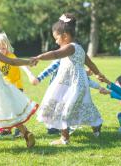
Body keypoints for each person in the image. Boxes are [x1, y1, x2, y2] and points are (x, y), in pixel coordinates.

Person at [33, 13, 104, 145]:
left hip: (72, 85)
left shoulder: (70, 47)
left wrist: (39, 57)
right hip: (78, 84)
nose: (56, 41)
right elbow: (91, 64)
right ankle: (96, 127)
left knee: (63, 109)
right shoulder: (80, 48)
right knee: (84, 105)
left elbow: (55, 54)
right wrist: (98, 74)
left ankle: (64, 138)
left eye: (56, 38)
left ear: (65, 36)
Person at [32, 60, 104, 135]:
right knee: (54, 109)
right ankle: (55, 127)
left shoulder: (75, 64)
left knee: (70, 110)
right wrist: (39, 78)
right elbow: (49, 70)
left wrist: (98, 87)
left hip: (70, 92)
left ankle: (95, 124)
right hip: (57, 92)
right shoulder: (60, 61)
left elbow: (85, 79)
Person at [0, 32, 36, 138]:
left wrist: (30, 75)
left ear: (7, 47)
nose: (1, 51)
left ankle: (20, 130)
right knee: (4, 109)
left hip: (15, 87)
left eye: (3, 48)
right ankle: (6, 130)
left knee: (16, 110)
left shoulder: (11, 56)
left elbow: (21, 65)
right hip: (2, 89)